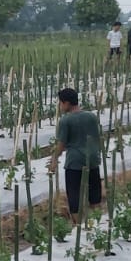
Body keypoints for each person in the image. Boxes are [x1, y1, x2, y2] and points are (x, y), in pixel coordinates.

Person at [48, 87, 104, 219]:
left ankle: (77, 226)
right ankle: (96, 225)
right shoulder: (91, 117)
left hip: (75, 163)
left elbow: (61, 144)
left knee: (74, 198)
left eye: (60, 103)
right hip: (93, 160)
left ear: (66, 103)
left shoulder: (65, 121)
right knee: (95, 196)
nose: (60, 106)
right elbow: (97, 137)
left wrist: (54, 160)